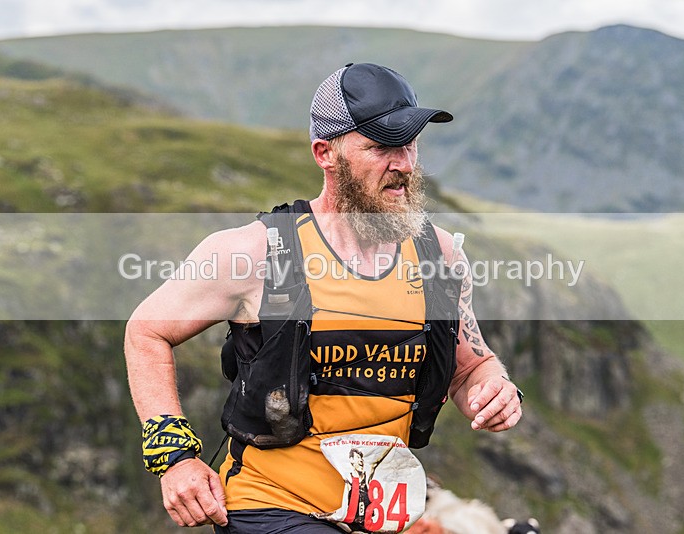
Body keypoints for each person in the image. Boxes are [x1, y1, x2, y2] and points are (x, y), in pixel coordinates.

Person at [124, 62, 523, 533]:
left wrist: (493, 389)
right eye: (381, 147)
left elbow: (471, 365)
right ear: (325, 153)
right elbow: (146, 331)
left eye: (410, 144)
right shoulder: (254, 252)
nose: (404, 165)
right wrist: (175, 458)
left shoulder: (441, 256)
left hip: (375, 517)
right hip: (270, 507)